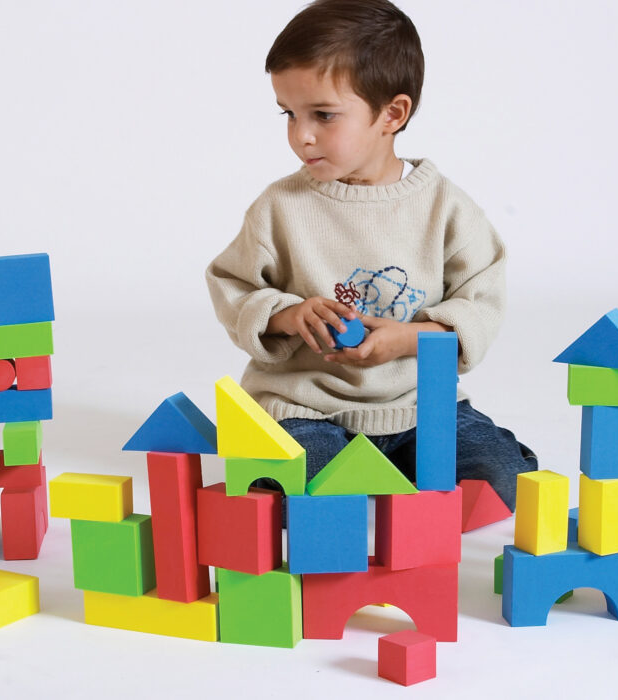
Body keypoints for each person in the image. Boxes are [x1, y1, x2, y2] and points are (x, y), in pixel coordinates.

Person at [206, 0, 537, 511]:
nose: (301, 134)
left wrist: (409, 339)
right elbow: (234, 286)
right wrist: (291, 314)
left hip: (418, 407)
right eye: (288, 114)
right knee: (304, 490)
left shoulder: (445, 207)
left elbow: (481, 303)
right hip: (307, 407)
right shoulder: (280, 206)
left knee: (506, 479)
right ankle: (362, 486)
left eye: (323, 115)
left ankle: (395, 482)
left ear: (392, 114)